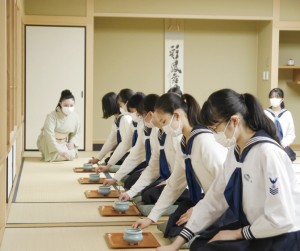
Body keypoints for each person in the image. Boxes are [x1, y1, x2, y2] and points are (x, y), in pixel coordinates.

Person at [158, 88, 300, 251]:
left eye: (215, 128)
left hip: (281, 234)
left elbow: (282, 218)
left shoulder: (268, 152)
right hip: (256, 227)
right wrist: (176, 245)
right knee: (199, 245)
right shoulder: (235, 153)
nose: (214, 134)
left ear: (234, 121)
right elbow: (214, 199)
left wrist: (237, 233)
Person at [132, 92, 228, 239]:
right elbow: (174, 184)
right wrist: (151, 218)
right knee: (172, 229)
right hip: (204, 200)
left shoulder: (205, 141)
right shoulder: (184, 142)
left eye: (164, 122)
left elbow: (227, 186)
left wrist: (199, 209)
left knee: (197, 240)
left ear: (177, 115)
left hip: (223, 203)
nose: (163, 129)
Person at [118, 94, 189, 205]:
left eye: (142, 115)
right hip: (170, 178)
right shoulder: (157, 133)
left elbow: (180, 175)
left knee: (148, 195)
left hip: (182, 183)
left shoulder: (175, 135)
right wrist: (130, 193)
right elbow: (153, 166)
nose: (141, 118)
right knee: (143, 191)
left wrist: (165, 184)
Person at [103, 94, 160, 190]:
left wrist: (149, 171)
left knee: (145, 191)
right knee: (130, 182)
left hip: (159, 169)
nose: (138, 116)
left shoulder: (158, 130)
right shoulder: (142, 124)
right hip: (151, 165)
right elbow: (134, 153)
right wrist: (115, 178)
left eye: (140, 114)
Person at [89, 89, 134, 171]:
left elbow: (126, 145)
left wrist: (108, 166)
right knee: (108, 160)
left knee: (111, 163)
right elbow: (110, 141)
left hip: (130, 153)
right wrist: (98, 158)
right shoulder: (117, 120)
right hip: (125, 151)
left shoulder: (124, 119)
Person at [37, 89, 80, 162]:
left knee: (72, 154)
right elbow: (49, 134)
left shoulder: (75, 117)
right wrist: (59, 151)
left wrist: (72, 142)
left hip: (63, 143)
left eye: (71, 105)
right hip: (49, 142)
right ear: (60, 103)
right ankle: (53, 154)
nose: (69, 107)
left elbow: (76, 133)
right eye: (66, 105)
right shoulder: (51, 116)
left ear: (74, 104)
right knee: (53, 156)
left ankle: (63, 154)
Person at [264, 87, 296, 161]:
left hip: (283, 147)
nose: (274, 99)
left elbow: (291, 134)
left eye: (277, 97)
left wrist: (283, 144)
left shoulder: (287, 114)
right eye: (272, 97)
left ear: (282, 99)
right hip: (268, 147)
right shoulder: (265, 113)